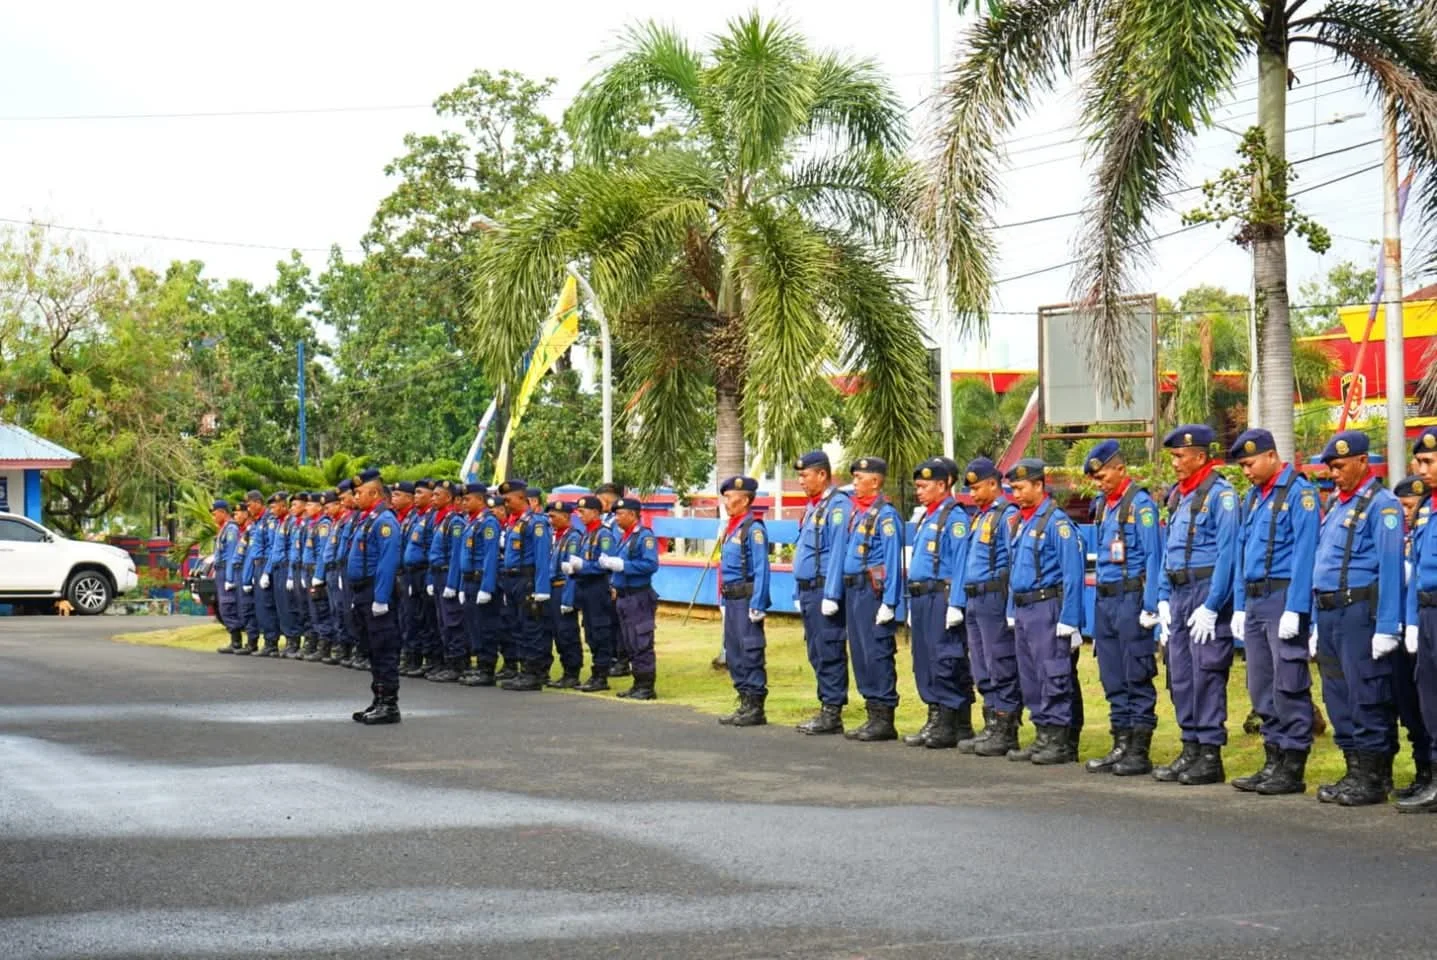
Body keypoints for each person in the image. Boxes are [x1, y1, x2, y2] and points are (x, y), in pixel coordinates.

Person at [1227, 428, 1321, 795]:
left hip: (1282, 599)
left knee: (1289, 683)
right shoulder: (1253, 498)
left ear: (1270, 456)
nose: (1246, 471)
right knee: (1260, 684)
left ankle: (1293, 765)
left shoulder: (1300, 494)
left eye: (1250, 464)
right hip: (1253, 600)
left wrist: (1297, 608)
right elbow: (1241, 552)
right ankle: (1273, 759)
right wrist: (1238, 605)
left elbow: (1304, 553)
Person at [1312, 430, 1403, 805]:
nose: (1334, 473)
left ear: (1363, 462)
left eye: (1340, 466)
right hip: (1331, 613)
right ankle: (1354, 769)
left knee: (1367, 692)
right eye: (1331, 467)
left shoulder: (1383, 506)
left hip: (1359, 612)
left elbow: (1391, 566)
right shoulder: (1337, 504)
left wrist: (1387, 625)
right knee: (1338, 694)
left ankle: (1374, 775)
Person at [1153, 425, 1238, 785]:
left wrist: (1213, 604)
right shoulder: (1180, 496)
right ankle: (1190, 746)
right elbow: (1168, 550)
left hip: (1204, 592)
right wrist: (1161, 596)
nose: (1174, 463)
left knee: (1206, 673)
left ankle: (1209, 753)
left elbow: (1228, 554)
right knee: (1181, 676)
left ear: (1200, 456)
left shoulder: (1222, 496)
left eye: (1179, 456)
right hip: (1178, 592)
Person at [1084, 440, 1164, 776]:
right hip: (1106, 599)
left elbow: (1153, 555)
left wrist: (1150, 605)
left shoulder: (1140, 505)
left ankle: (1139, 749)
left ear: (1120, 468)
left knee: (1136, 672)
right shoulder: (1104, 506)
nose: (1099, 483)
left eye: (1103, 476)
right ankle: (1121, 742)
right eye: (1096, 479)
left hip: (1131, 598)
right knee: (1112, 673)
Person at [1004, 458, 1085, 765]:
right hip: (1025, 608)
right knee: (1030, 675)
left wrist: (1070, 619)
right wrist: (1012, 608)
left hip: (1047, 606)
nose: (1016, 494)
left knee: (1053, 672)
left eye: (1021, 487)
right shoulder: (1022, 522)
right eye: (1013, 488)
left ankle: (1060, 737)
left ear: (1039, 485)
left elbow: (1072, 573)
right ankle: (1042, 733)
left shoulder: (1056, 522)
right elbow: (1015, 569)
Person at [828, 457, 906, 742]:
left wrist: (890, 601)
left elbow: (891, 560)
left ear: (875, 481)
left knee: (876, 650)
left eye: (860, 477)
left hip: (872, 592)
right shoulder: (857, 513)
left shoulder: (885, 515)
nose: (856, 483)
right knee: (860, 652)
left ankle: (884, 716)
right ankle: (872, 711)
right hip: (854, 591)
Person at [951, 457, 1023, 756]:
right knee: (981, 663)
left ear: (994, 484)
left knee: (999, 661)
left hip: (994, 595)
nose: (974, 494)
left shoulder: (1007, 515)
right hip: (975, 597)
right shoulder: (980, 516)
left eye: (978, 488)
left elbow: (1013, 559)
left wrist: (1009, 606)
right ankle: (991, 722)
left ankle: (1006, 728)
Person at [905, 458, 976, 749]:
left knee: (945, 657)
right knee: (924, 658)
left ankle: (951, 718)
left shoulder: (954, 518)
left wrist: (957, 603)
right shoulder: (928, 516)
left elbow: (960, 564)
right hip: (923, 596)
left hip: (941, 595)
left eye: (924, 486)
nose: (919, 492)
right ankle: (937, 714)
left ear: (944, 484)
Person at [791, 450, 853, 735]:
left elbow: (838, 551)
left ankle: (832, 711)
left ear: (823, 475)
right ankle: (826, 705)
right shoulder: (814, 507)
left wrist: (831, 593)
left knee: (828, 648)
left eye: (805, 475)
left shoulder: (837, 506)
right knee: (816, 650)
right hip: (808, 590)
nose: (801, 481)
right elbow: (803, 551)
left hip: (823, 589)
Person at [346, 468, 403, 724]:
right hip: (363, 592)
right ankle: (378, 698)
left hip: (375, 593)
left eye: (359, 492)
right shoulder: (368, 519)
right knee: (371, 648)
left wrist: (381, 598)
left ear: (375, 492)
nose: (355, 497)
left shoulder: (385, 522)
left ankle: (389, 705)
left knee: (384, 648)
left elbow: (387, 563)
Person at [1400, 427, 1437, 812]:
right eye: (1420, 462)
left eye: (1428, 462)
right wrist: (1411, 621)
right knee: (1429, 699)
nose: (1421, 469)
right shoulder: (1427, 507)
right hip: (1427, 612)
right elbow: (1415, 567)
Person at [716, 476, 771, 725]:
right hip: (731, 599)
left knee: (750, 650)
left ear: (746, 499)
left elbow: (761, 569)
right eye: (725, 496)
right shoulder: (732, 528)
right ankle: (743, 699)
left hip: (747, 599)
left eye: (730, 497)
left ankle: (756, 706)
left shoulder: (753, 529)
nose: (726, 501)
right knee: (735, 652)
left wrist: (758, 603)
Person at [1393, 472, 1434, 805]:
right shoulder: (1403, 531)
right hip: (1407, 625)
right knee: (1412, 703)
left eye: (1411, 506)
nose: (1407, 513)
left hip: (1425, 619)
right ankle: (1424, 772)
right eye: (1404, 506)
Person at [602, 496, 661, 699]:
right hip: (624, 597)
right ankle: (638, 683)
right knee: (629, 641)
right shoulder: (625, 537)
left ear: (633, 515)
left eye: (620, 514)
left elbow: (651, 564)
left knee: (641, 640)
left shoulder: (644, 536)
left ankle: (646, 685)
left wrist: (623, 566)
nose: (616, 518)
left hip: (639, 596)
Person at [496, 477, 552, 692]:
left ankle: (533, 673)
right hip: (512, 580)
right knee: (516, 625)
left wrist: (541, 589)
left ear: (522, 498)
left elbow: (541, 557)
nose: (505, 504)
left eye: (508, 500)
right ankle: (523, 670)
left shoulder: (536, 522)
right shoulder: (516, 522)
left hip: (527, 580)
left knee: (531, 627)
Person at [570, 495, 619, 691]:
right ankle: (596, 673)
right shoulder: (586, 534)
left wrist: (584, 566)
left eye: (583, 512)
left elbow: (606, 564)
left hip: (598, 587)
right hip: (585, 588)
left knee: (600, 631)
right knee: (590, 632)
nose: (579, 515)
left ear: (596, 513)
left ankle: (601, 676)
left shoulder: (603, 535)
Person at [457, 486, 503, 687]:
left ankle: (487, 667)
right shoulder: (472, 522)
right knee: (474, 624)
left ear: (479, 500)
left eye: (467, 499)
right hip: (468, 580)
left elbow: (490, 556)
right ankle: (480, 664)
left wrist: (487, 586)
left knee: (486, 625)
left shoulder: (489, 522)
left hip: (479, 580)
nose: (464, 503)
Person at [429, 481, 468, 682]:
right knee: (442, 621)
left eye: (437, 495)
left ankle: (457, 664)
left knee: (453, 621)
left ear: (449, 498)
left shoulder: (455, 523)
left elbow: (455, 556)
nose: (433, 498)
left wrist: (452, 584)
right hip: (437, 575)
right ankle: (447, 661)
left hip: (447, 576)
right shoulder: (441, 520)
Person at [544, 500, 585, 688]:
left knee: (567, 632)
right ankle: (566, 671)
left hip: (564, 587)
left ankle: (572, 672)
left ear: (566, 517)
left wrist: (568, 598)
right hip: (553, 589)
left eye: (553, 516)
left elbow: (571, 571)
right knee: (557, 632)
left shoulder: (573, 538)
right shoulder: (558, 536)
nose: (550, 520)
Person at [594, 481, 632, 678]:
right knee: (609, 621)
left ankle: (622, 660)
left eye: (600, 500)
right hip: (605, 576)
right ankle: (613, 657)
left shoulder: (618, 522)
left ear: (608, 498)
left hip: (616, 576)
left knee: (618, 623)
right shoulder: (608, 520)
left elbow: (618, 551)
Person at [302, 492, 337, 662]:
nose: (306, 508)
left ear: (318, 507)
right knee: (314, 610)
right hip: (308, 571)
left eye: (310, 505)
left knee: (321, 610)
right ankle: (317, 644)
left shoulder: (324, 525)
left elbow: (323, 552)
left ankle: (325, 646)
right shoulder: (313, 524)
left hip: (317, 571)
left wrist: (318, 575)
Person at [212, 500, 245, 654]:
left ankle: (236, 640)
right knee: (223, 605)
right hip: (220, 570)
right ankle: (234, 639)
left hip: (227, 571)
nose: (213, 517)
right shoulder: (223, 529)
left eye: (215, 513)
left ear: (223, 512)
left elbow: (232, 555)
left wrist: (230, 578)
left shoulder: (231, 529)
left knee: (228, 604)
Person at [238, 490, 269, 656]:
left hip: (264, 566)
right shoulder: (255, 524)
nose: (248, 509)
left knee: (266, 607)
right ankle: (257, 642)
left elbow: (270, 548)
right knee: (256, 608)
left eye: (249, 505)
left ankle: (271, 643)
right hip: (254, 568)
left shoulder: (266, 520)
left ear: (257, 502)